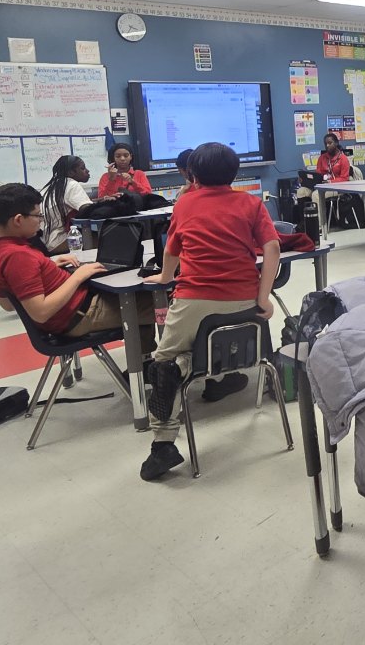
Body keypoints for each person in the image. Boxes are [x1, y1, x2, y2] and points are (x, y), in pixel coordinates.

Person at [139, 142, 281, 481]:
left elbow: (172, 251)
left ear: (193, 175)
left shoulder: (185, 203)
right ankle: (202, 369)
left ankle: (163, 444)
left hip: (195, 299)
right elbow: (273, 247)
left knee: (163, 362)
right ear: (235, 174)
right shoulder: (251, 203)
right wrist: (263, 298)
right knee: (209, 345)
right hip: (244, 302)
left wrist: (165, 277)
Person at [0, 183, 155, 345]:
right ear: (18, 220)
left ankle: (144, 362)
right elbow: (41, 312)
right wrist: (78, 276)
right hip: (80, 314)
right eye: (37, 216)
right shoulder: (19, 256)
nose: (41, 221)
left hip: (69, 314)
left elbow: (7, 304)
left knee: (137, 298)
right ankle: (159, 363)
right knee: (161, 302)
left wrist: (47, 269)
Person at [39, 155, 93, 253]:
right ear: (71, 172)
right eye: (82, 168)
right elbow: (87, 209)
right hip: (57, 241)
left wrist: (100, 200)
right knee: (100, 236)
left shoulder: (52, 186)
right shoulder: (71, 184)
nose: (87, 171)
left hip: (43, 241)